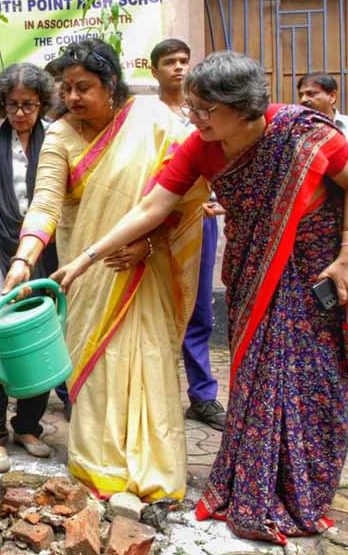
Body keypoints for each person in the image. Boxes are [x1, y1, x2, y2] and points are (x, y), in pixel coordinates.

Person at [47, 51, 348, 544]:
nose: (194, 118)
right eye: (193, 108)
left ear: (243, 108)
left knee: (313, 380)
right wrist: (86, 258)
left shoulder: (300, 132)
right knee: (259, 375)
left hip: (318, 267)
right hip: (253, 268)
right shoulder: (201, 148)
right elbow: (154, 206)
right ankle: (254, 487)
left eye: (205, 110)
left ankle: (307, 489)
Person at [1, 39, 209, 500]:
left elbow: (183, 194)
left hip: (145, 268)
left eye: (83, 87)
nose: (72, 97)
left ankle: (153, 471)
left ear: (110, 84)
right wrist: (23, 259)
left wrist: (147, 243)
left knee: (148, 363)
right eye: (66, 88)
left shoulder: (151, 120)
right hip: (85, 273)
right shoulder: (59, 135)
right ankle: (99, 469)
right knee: (96, 371)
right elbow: (45, 204)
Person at [0, 63, 58, 473]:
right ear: (2, 104)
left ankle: (28, 427)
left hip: (46, 255)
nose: (20, 113)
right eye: (13, 104)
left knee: (38, 339)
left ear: (42, 103)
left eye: (29, 105)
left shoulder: (57, 140)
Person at [150, 38, 227, 430]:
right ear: (154, 70)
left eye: (183, 60)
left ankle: (202, 395)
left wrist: (219, 200)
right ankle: (153, 395)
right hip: (153, 220)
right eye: (169, 62)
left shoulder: (207, 114)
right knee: (153, 306)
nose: (178, 67)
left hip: (200, 218)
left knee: (197, 307)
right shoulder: (144, 117)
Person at [298, 73, 348, 194]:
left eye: (311, 94)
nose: (303, 100)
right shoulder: (298, 131)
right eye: (301, 95)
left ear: (332, 96)